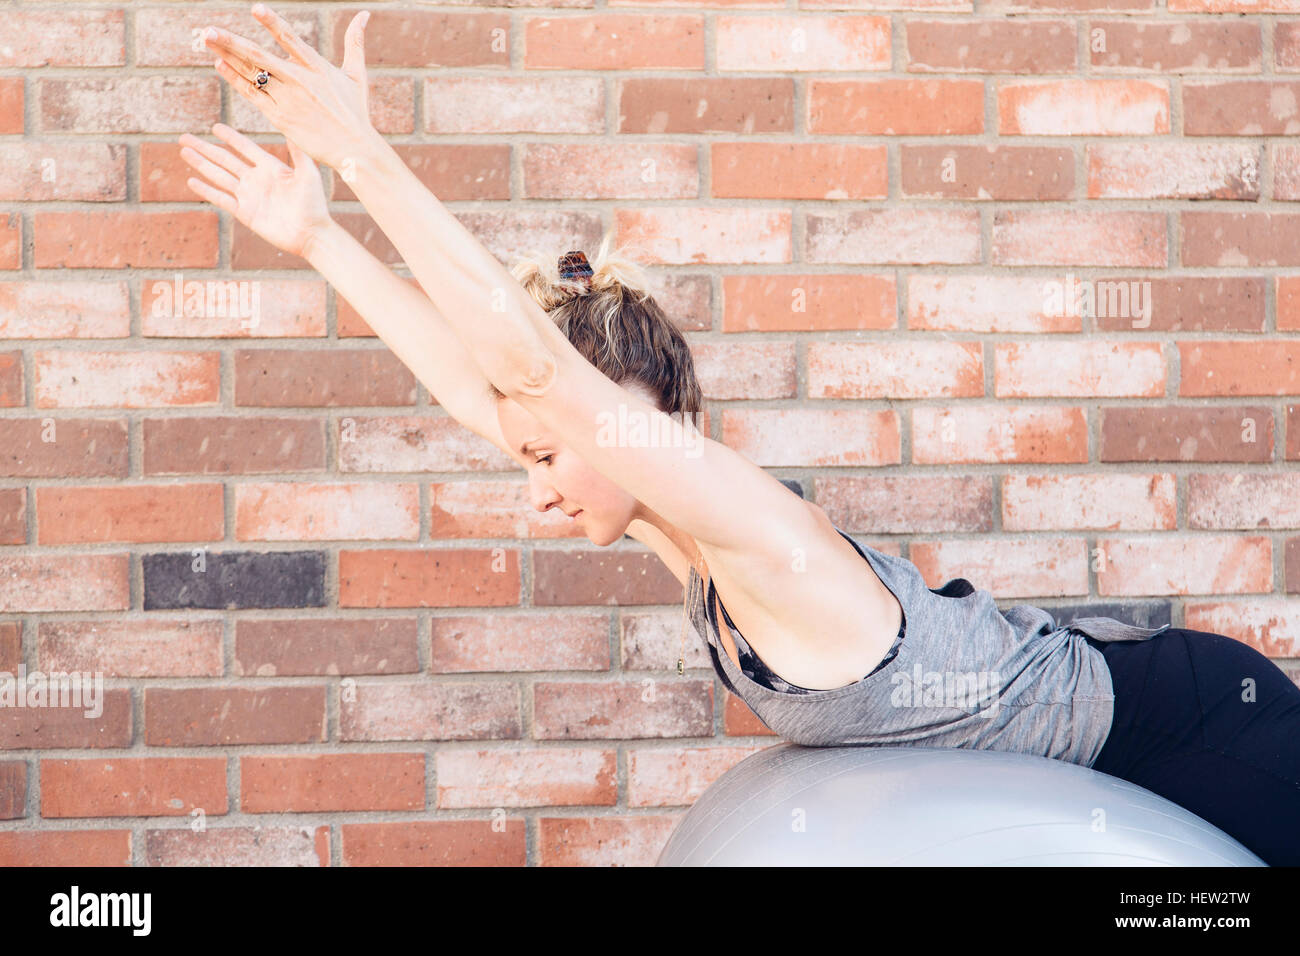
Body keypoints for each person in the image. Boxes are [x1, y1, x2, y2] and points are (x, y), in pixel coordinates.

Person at [179, 8, 1300, 866]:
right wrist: (321, 236)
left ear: (627, 418)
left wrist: (369, 158)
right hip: (1142, 718)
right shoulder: (689, 541)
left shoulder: (760, 536)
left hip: (1200, 733)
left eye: (549, 452)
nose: (532, 488)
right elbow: (498, 395)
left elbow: (530, 370)